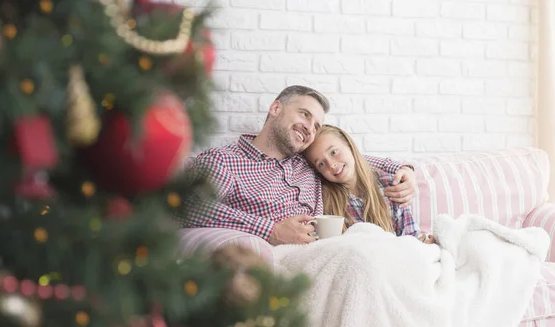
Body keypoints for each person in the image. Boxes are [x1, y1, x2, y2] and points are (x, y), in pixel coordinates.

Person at [184, 85, 418, 245]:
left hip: (327, 251)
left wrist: (405, 171)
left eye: (316, 125)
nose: (310, 127)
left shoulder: (309, 163)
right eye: (305, 115)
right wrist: (271, 231)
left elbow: (354, 162)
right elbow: (189, 205)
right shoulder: (226, 161)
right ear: (276, 109)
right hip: (279, 254)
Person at [303, 124, 435, 243]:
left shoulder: (389, 185)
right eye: (321, 163)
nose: (331, 165)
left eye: (334, 152)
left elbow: (410, 237)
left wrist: (424, 243)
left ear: (349, 145)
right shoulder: (326, 200)